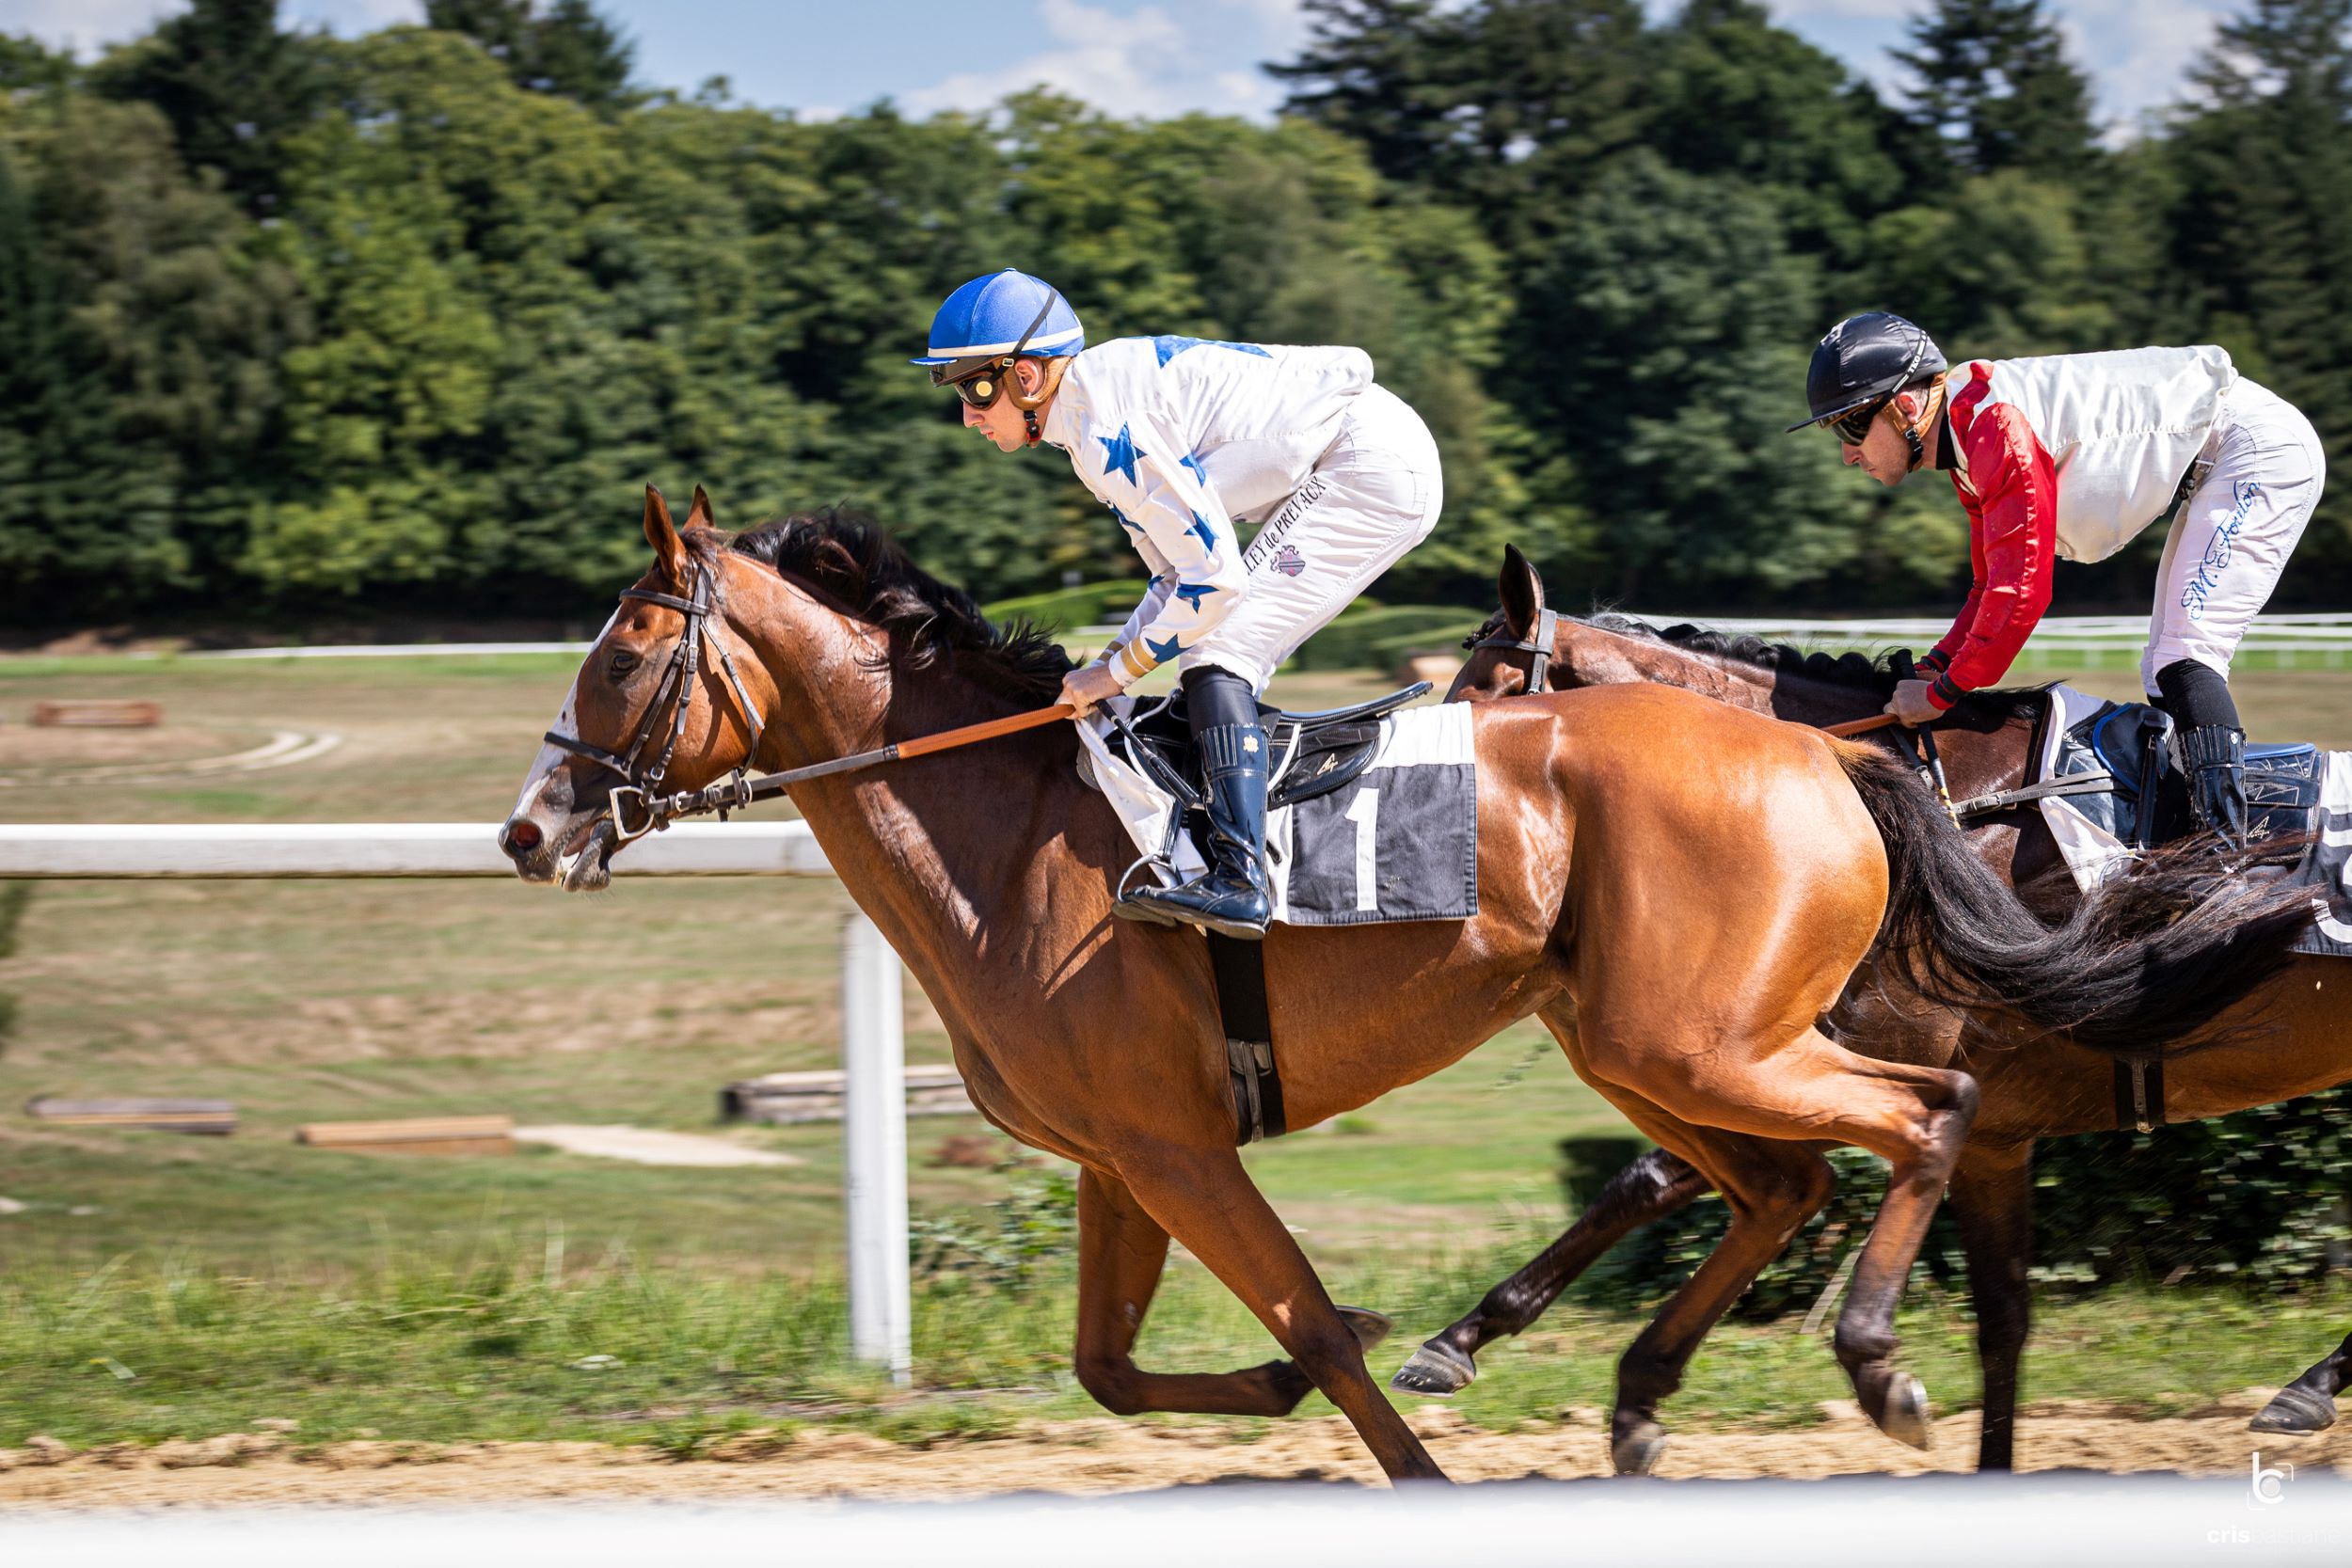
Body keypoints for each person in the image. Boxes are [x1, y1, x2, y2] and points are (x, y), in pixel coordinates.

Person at [914, 268, 1444, 936]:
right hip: (1359, 456)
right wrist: (1101, 669)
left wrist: (1114, 674)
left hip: (1371, 466)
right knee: (1203, 646)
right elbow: (1173, 579)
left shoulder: (1107, 424)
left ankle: (1241, 876)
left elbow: (1216, 583)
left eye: (974, 386)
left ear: (1026, 376)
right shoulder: (1088, 426)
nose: (967, 414)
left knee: (1219, 648)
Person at [1790, 311, 2328, 842]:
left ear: (1906, 405)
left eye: (1852, 424)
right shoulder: (1965, 439)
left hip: (2256, 449)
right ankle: (2193, 834)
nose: (1846, 453)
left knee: (2186, 656)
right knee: (2160, 668)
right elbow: (1988, 588)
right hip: (2222, 457)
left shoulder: (1994, 426)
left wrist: (1944, 692)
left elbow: (2022, 594)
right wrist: (1936, 666)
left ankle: (2223, 856)